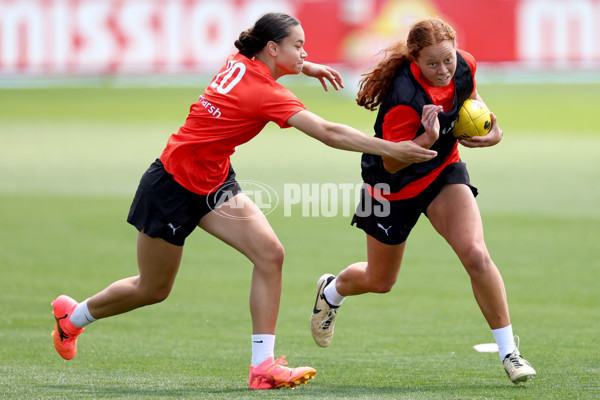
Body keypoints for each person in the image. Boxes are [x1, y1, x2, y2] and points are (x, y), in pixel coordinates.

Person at [51, 13, 437, 390]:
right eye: (298, 46)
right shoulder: (265, 93)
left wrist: (306, 66)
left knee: (270, 254)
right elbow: (329, 132)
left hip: (214, 182)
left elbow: (268, 65)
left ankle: (262, 367)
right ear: (272, 48)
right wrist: (393, 148)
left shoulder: (242, 61)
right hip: (169, 187)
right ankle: (72, 319)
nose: (304, 52)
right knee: (152, 289)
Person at [309, 18, 537, 385]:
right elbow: (392, 161)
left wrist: (493, 130)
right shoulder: (403, 96)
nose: (443, 70)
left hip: (443, 172)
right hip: (389, 185)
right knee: (380, 280)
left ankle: (510, 353)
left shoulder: (464, 64)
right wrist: (428, 138)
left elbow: (473, 101)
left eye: (447, 60)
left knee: (476, 255)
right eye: (432, 64)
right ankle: (332, 291)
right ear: (415, 59)